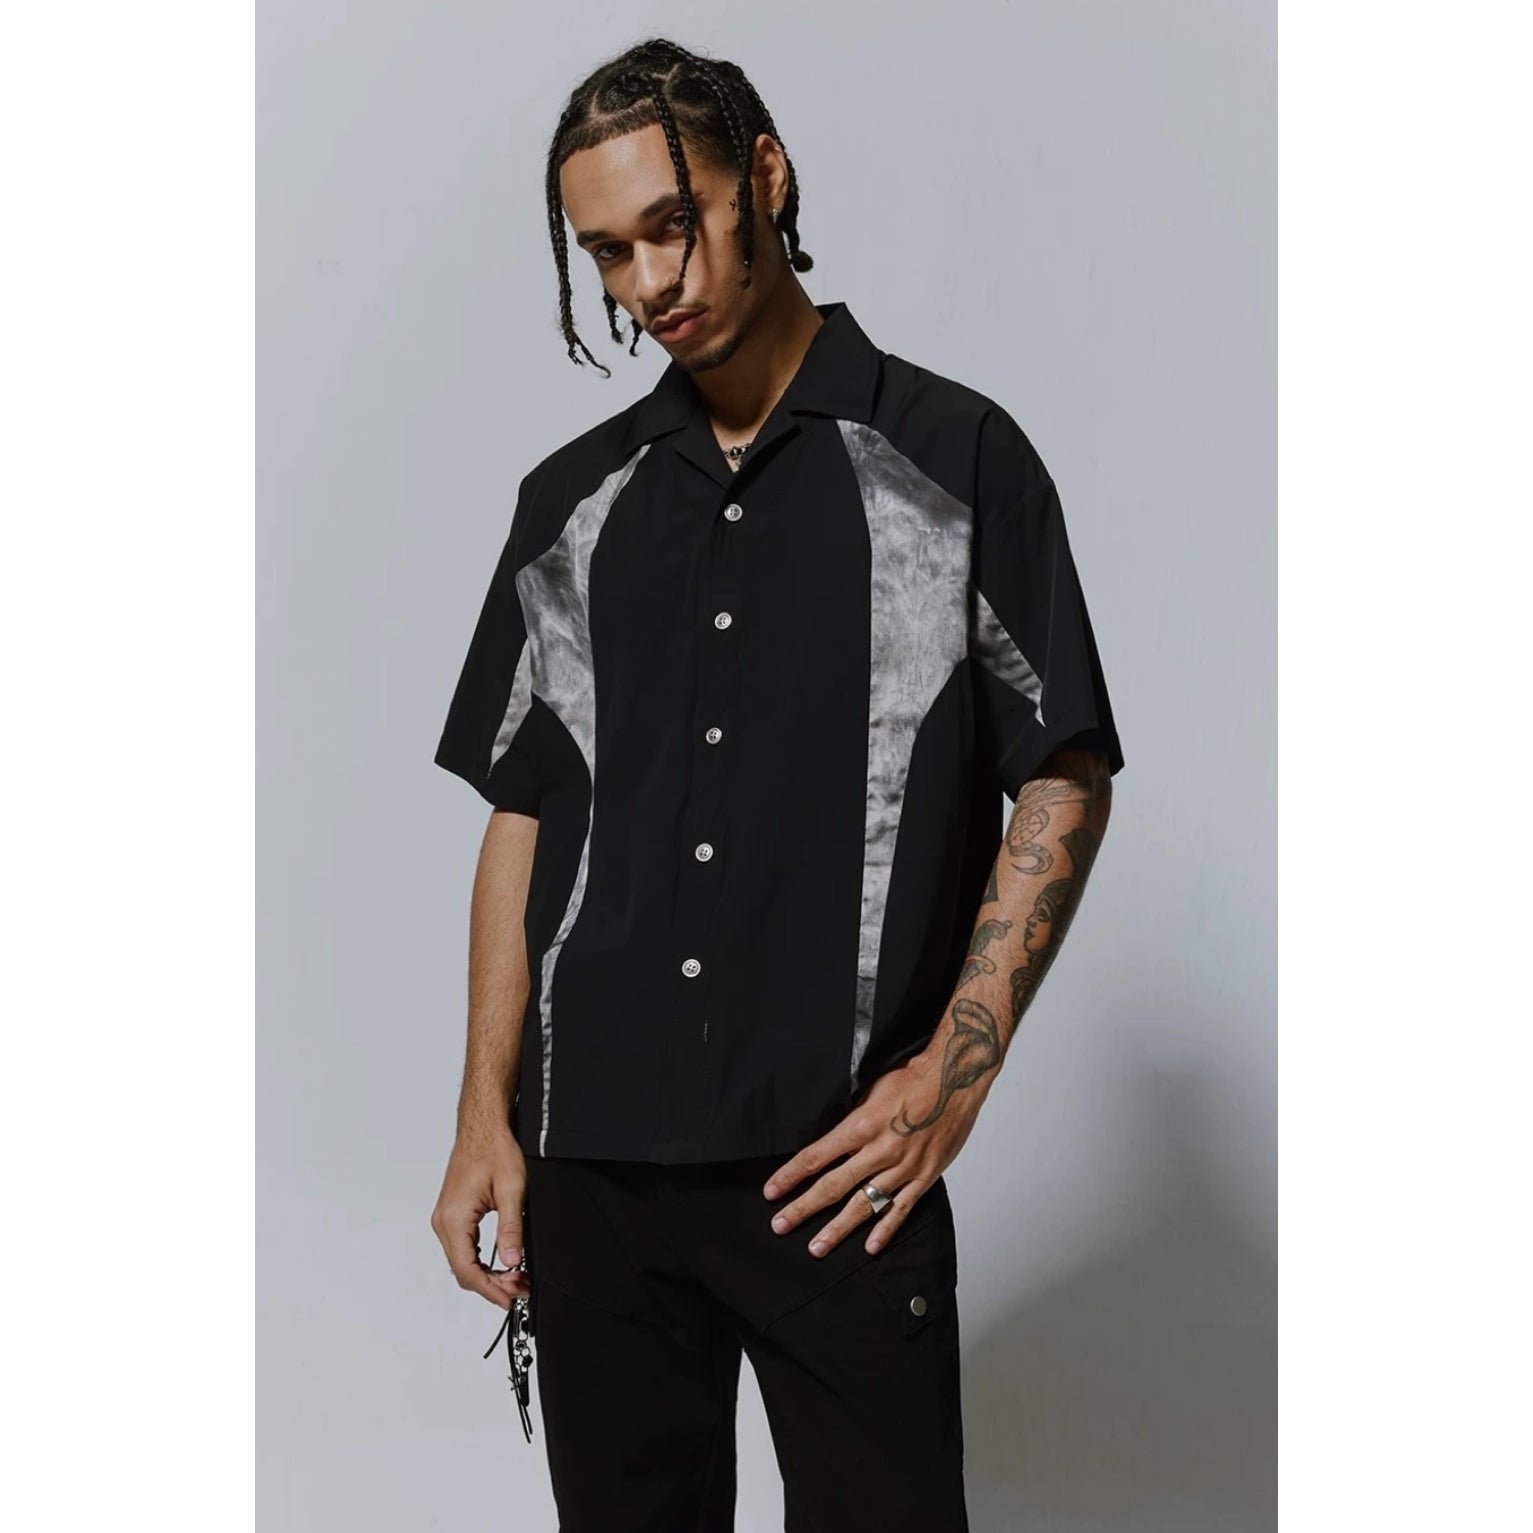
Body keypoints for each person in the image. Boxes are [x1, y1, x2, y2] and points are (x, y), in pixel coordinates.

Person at [429, 35, 1124, 1532]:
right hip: (591, 1169)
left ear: (765, 177)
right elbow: (525, 811)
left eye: (670, 227)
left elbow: (1062, 770)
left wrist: (955, 1070)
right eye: (605, 254)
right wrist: (484, 1113)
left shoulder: (953, 460)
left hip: (836, 1166)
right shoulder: (571, 505)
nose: (646, 285)